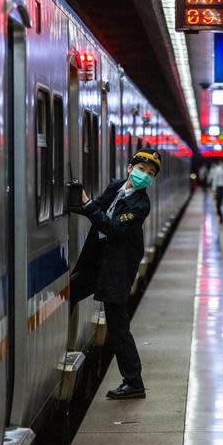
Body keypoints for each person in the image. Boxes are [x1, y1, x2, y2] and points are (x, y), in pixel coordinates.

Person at [69, 148, 162, 400]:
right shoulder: (116, 186)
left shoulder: (141, 205)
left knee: (118, 326)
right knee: (68, 294)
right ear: (130, 168)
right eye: (142, 169)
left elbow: (113, 228)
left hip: (118, 268)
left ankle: (134, 383)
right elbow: (96, 206)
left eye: (150, 173)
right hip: (99, 261)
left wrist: (87, 205)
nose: (145, 175)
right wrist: (73, 199)